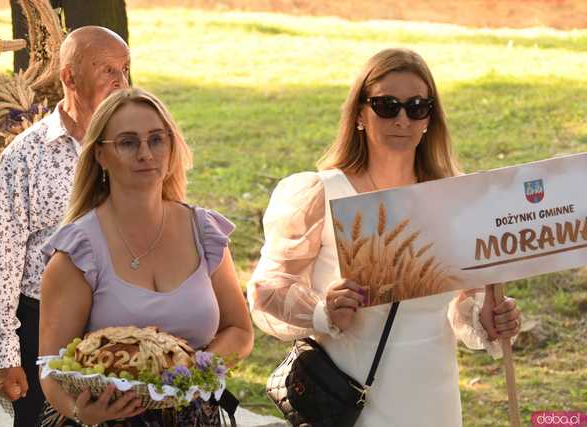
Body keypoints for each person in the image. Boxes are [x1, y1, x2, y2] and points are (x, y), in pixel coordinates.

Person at [247, 48, 521, 427]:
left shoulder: (454, 198)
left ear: (430, 118)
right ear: (360, 112)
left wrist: (486, 317)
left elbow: (464, 303)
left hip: (433, 396)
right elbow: (266, 289)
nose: (403, 119)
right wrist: (322, 310)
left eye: (417, 107)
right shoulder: (319, 193)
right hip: (349, 396)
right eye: (387, 105)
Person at [37, 87, 253, 427]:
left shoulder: (204, 231)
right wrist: (82, 413)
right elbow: (50, 369)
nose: (145, 153)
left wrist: (193, 371)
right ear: (100, 156)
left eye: (156, 139)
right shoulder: (77, 253)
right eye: (127, 142)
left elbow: (239, 330)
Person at [0, 26, 130, 427]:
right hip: (45, 323)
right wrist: (6, 355)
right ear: (69, 77)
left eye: (125, 70)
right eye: (108, 69)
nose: (121, 82)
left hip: (124, 317)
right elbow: (1, 261)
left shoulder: (139, 146)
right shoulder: (25, 156)